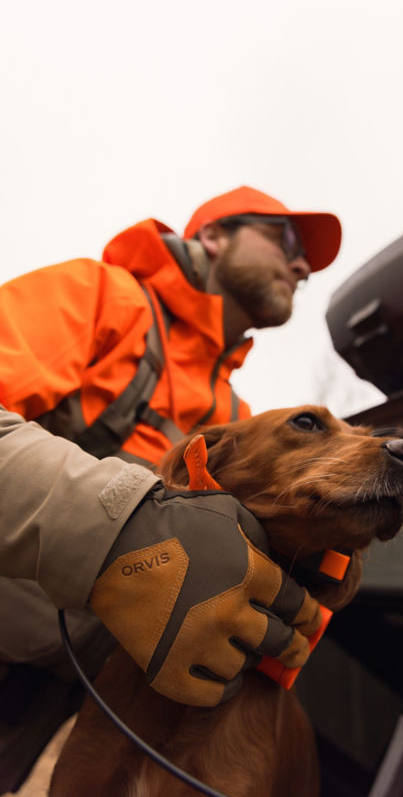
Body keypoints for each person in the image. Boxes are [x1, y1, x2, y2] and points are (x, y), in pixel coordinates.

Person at [0, 186, 342, 708]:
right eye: (286, 239)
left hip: (65, 686)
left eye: (306, 267)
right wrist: (120, 531)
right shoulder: (101, 296)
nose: (299, 267)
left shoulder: (237, 420)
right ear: (212, 236)